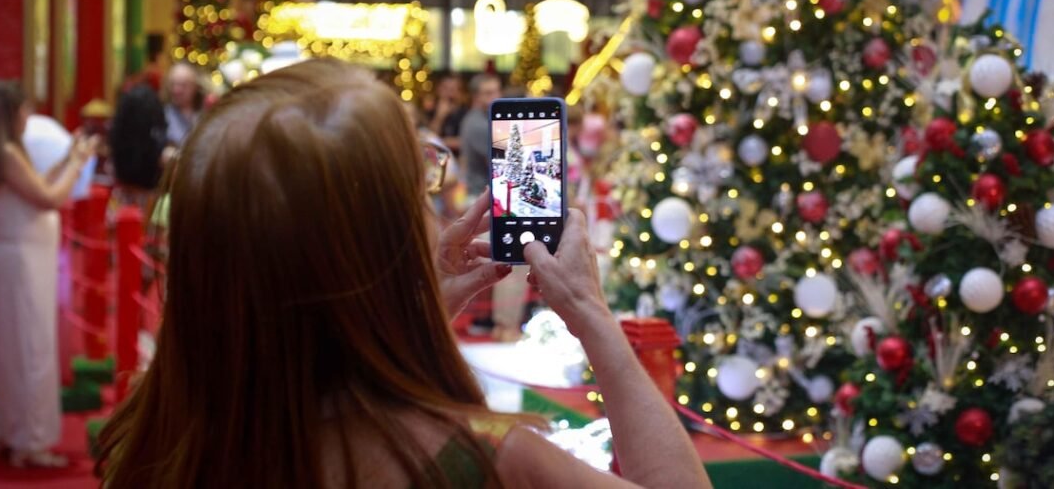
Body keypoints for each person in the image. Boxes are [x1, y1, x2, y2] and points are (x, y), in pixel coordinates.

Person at [96, 60, 709, 489]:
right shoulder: (484, 459)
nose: (436, 204)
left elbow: (316, 354)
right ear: (385, 237)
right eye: (422, 184)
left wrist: (407, 309)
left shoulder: (158, 433)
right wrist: (592, 315)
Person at [0, 80, 98, 468]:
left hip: (11, 259)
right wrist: (77, 163)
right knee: (31, 350)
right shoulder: (8, 153)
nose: (28, 116)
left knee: (14, 351)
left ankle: (11, 435)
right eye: (24, 110)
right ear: (9, 115)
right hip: (22, 263)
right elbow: (49, 197)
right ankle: (31, 442)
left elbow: (38, 186)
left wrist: (67, 159)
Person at [459, 73, 501, 199]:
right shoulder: (478, 124)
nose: (496, 97)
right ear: (476, 97)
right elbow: (497, 163)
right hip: (479, 195)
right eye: (488, 93)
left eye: (497, 91)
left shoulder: (482, 118)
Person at [161, 61, 206, 147]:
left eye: (183, 85)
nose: (176, 90)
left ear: (195, 86)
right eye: (172, 84)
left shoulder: (206, 114)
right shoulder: (162, 115)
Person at [428, 74, 468, 154]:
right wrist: (439, 117)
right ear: (438, 90)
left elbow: (466, 142)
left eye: (453, 89)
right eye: (445, 89)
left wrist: (440, 142)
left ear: (460, 92)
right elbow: (429, 138)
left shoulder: (466, 114)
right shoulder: (430, 112)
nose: (449, 94)